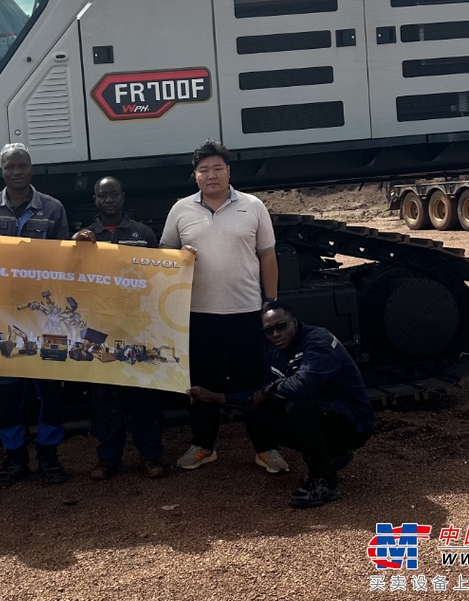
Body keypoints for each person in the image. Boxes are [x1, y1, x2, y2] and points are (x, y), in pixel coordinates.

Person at [160, 139, 284, 473]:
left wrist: (269, 302)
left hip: (245, 313)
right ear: (195, 175)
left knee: (255, 383)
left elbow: (267, 255)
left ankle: (265, 449)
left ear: (229, 171)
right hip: (198, 315)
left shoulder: (253, 206)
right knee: (202, 385)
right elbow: (164, 258)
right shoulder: (180, 210)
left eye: (218, 168)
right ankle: (203, 446)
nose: (211, 175)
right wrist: (179, 256)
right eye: (204, 170)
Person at [188, 301, 375, 508]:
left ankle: (323, 481)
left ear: (294, 322)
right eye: (268, 331)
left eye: (281, 326)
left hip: (353, 423)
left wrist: (269, 390)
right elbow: (257, 395)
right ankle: (332, 455)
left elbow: (303, 384)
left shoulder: (318, 340)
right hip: (325, 415)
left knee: (297, 405)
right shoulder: (278, 354)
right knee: (258, 411)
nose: (275, 334)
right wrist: (216, 397)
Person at [0, 143, 71, 487]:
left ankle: (49, 458)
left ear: (31, 168)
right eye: (10, 166)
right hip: (3, 319)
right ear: (2, 171)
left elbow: (66, 262)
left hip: (48, 320)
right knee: (8, 393)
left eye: (22, 165)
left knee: (50, 391)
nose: (17, 171)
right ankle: (14, 461)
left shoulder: (54, 209)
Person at [73, 176, 167, 479]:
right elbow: (72, 276)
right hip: (98, 327)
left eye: (114, 194)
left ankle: (151, 456)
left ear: (123, 197)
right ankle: (109, 458)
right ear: (95, 200)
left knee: (144, 395)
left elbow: (160, 276)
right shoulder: (84, 238)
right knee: (103, 397)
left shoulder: (142, 234)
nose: (109, 200)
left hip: (136, 325)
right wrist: (76, 247)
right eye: (103, 195)